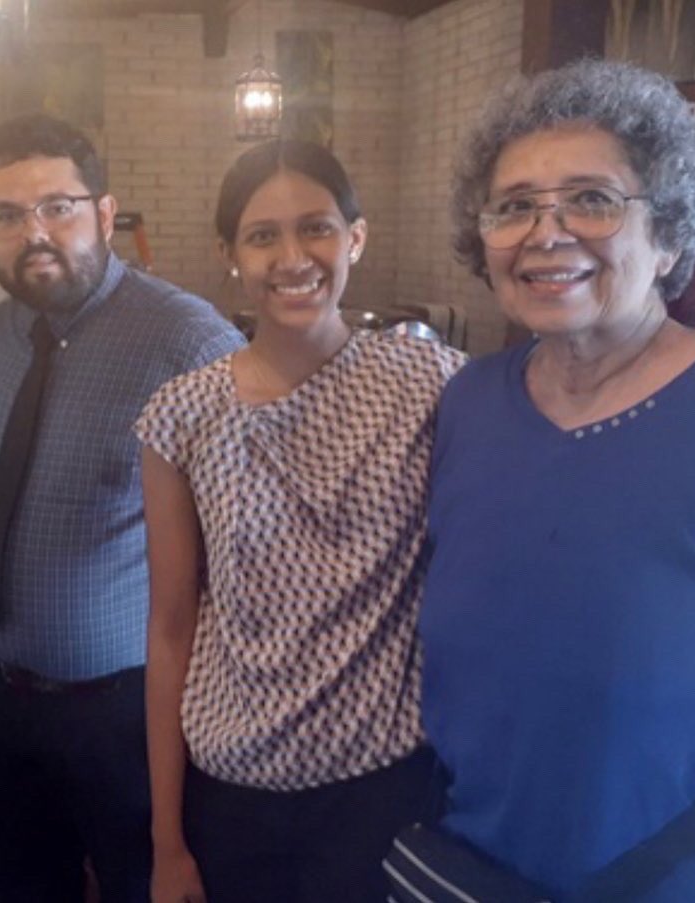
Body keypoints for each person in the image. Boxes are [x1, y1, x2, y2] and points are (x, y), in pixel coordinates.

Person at [416, 58, 695, 900]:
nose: (545, 231)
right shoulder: (469, 400)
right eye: (513, 206)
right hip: (468, 865)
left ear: (668, 228)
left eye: (592, 199)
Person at [135, 139, 465, 903]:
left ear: (355, 236)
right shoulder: (180, 415)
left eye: (315, 226)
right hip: (233, 786)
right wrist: (166, 839)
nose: (293, 256)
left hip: (384, 786)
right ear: (229, 254)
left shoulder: (429, 384)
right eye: (262, 235)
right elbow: (170, 627)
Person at [0, 112, 244, 903]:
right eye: (6, 215)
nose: (32, 233)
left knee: (136, 880)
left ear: (104, 215)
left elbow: (242, 542)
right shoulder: (2, 330)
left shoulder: (186, 339)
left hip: (116, 712)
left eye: (57, 207)